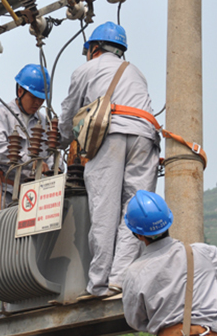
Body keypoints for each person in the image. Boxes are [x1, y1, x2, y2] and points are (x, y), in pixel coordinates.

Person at [59, 21, 161, 298]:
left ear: (93, 48)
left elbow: (69, 115)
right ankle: (120, 279)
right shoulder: (136, 72)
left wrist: (59, 142)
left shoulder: (86, 69)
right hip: (145, 136)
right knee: (134, 209)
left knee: (104, 210)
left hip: (111, 135)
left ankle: (99, 284)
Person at [0, 64, 57, 323]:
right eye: (34, 97)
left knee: (21, 250)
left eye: (42, 98)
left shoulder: (42, 121)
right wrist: (33, 160)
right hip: (0, 188)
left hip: (28, 193)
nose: (38, 103)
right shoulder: (0, 116)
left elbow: (49, 156)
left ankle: (13, 306)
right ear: (20, 90)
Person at [121, 191, 217, 336]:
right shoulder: (200, 253)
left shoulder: (134, 273)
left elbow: (136, 321)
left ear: (138, 234)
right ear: (169, 220)